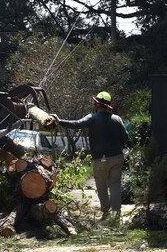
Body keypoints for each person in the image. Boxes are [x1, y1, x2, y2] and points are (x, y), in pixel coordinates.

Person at [53, 91, 129, 220]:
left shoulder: (92, 118)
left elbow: (76, 124)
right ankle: (116, 215)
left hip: (100, 159)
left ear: (97, 104)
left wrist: (59, 121)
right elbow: (126, 137)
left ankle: (105, 213)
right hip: (117, 157)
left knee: (102, 187)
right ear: (108, 106)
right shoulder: (117, 119)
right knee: (115, 184)